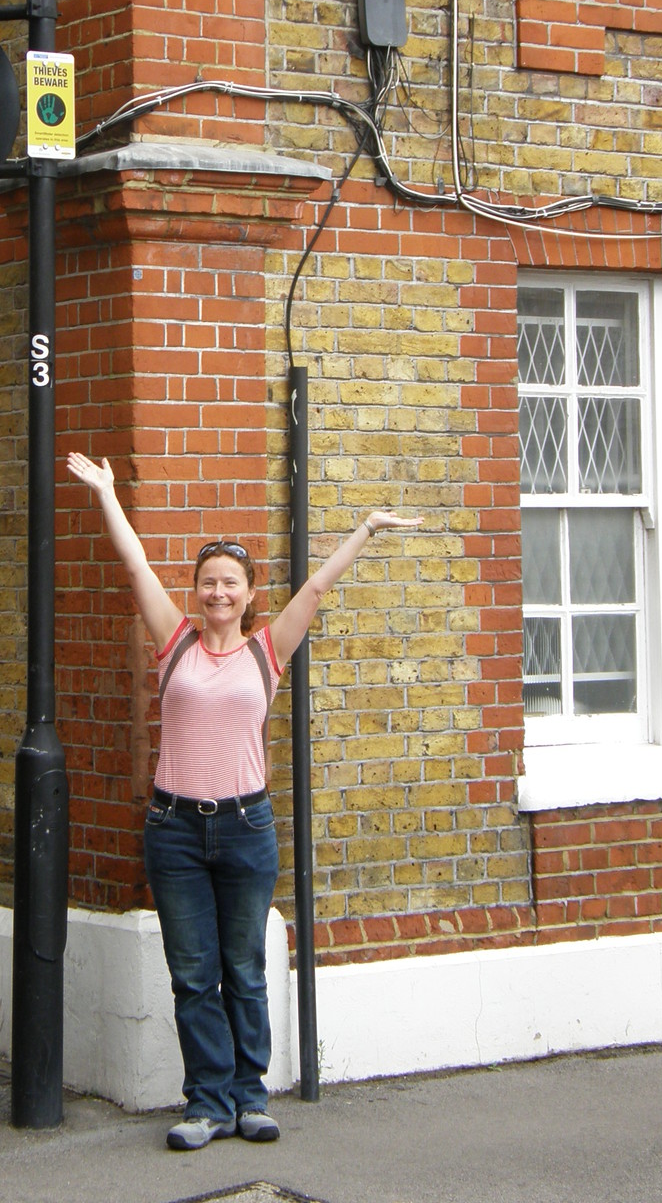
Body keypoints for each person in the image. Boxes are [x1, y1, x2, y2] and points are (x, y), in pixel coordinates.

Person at [66, 449, 420, 1151]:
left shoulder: (267, 651)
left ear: (250, 593)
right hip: (174, 829)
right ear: (195, 592)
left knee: (243, 970)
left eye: (229, 583)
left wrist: (365, 530)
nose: (217, 594)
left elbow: (315, 589)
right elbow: (135, 566)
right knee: (193, 975)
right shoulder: (174, 643)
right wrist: (108, 493)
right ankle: (205, 1103)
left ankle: (249, 1096)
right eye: (207, 583)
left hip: (245, 828)